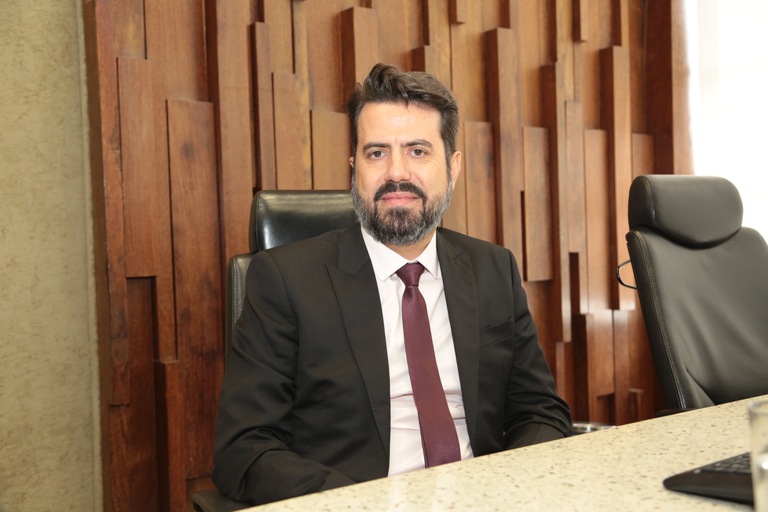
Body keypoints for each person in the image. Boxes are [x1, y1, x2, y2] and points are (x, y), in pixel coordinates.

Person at [212, 63, 571, 505]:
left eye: (417, 151)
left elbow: (541, 412)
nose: (396, 173)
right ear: (354, 168)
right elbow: (244, 449)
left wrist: (504, 488)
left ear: (453, 166)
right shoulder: (285, 280)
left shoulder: (493, 269)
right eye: (377, 153)